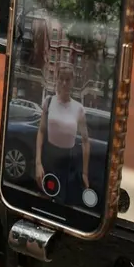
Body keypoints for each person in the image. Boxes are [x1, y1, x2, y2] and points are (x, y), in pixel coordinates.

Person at [34, 65, 91, 206]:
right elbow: (41, 131)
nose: (64, 83)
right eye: (61, 79)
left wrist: (84, 173)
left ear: (72, 81)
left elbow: (85, 141)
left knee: (61, 203)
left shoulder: (78, 109)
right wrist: (38, 162)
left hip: (67, 162)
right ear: (57, 80)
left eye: (68, 79)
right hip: (48, 158)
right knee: (43, 200)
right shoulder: (49, 101)